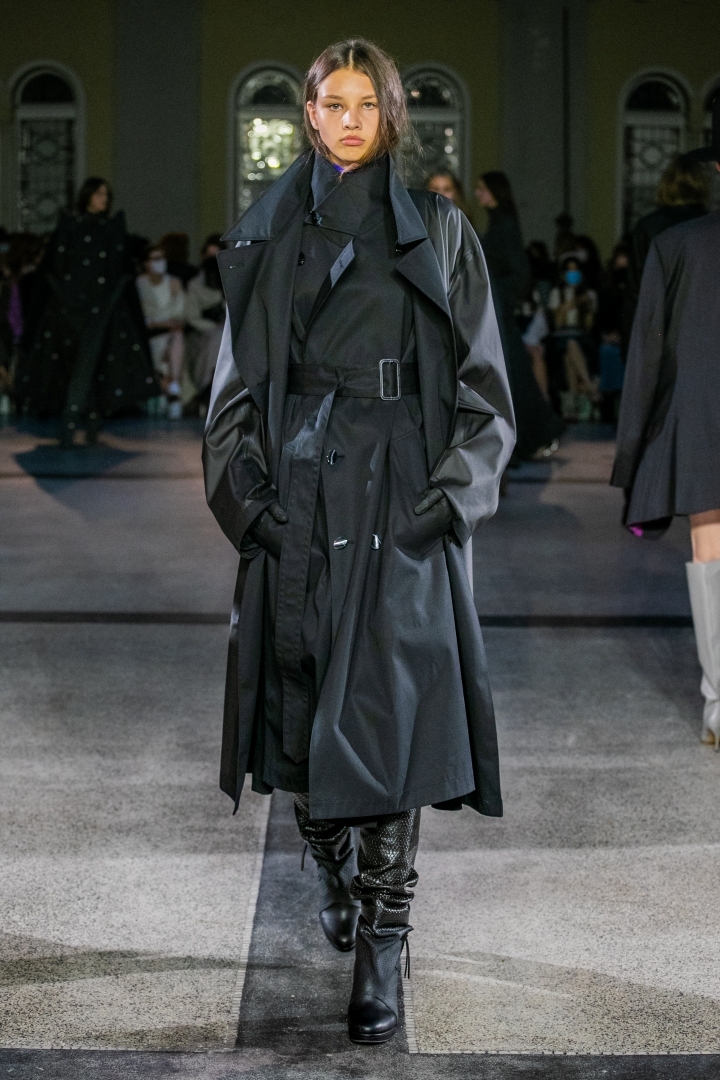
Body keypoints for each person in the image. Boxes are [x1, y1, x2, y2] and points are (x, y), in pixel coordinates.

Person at [203, 38, 515, 1046]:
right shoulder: (271, 230)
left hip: (399, 489)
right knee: (299, 699)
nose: (347, 121)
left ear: (390, 114)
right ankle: (332, 862)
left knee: (388, 710)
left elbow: (484, 381)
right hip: (298, 483)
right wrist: (248, 503)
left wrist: (448, 498)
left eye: (364, 104)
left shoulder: (438, 229)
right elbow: (233, 385)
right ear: (308, 114)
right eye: (331, 104)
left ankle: (385, 936)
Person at [611, 95, 720, 748]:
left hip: (702, 413)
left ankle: (718, 702)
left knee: (711, 548)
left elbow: (648, 355)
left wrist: (633, 454)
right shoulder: (675, 244)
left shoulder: (676, 245)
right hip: (700, 412)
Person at [15, 177, 157, 445]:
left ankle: (70, 422)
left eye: (106, 194)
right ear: (87, 195)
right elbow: (57, 266)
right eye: (99, 193)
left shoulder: (111, 228)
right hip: (70, 307)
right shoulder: (71, 227)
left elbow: (118, 269)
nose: (104, 198)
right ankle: (90, 417)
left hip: (102, 308)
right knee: (78, 361)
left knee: (87, 360)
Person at [476, 170, 561, 458]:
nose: (478, 193)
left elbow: (520, 270)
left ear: (495, 191)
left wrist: (500, 295)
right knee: (514, 372)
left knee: (515, 373)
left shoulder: (504, 224)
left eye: (482, 188)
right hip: (497, 307)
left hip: (499, 308)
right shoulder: (500, 222)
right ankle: (532, 436)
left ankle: (534, 435)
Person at [624, 153, 709, 348]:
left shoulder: (649, 226)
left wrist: (631, 345)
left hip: (661, 328)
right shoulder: (710, 226)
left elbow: (636, 291)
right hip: (701, 327)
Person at [136, 243, 186, 418]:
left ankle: (172, 385)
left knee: (176, 336)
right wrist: (163, 323)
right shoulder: (140, 285)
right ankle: (173, 388)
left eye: (162, 258)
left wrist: (162, 321)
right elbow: (143, 317)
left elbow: (180, 313)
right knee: (174, 338)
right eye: (156, 259)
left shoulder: (174, 282)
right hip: (149, 336)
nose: (160, 262)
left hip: (170, 333)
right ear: (146, 263)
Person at [548, 253, 598, 421]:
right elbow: (557, 322)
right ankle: (590, 389)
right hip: (560, 336)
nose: (572, 274)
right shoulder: (557, 293)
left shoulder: (589, 294)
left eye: (575, 270)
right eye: (569, 270)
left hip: (581, 337)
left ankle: (571, 406)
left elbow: (588, 325)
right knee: (568, 344)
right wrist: (574, 302)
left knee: (569, 355)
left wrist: (586, 306)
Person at [184, 234, 225, 410]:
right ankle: (208, 388)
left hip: (228, 331)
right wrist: (215, 327)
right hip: (203, 333)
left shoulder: (232, 281)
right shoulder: (195, 285)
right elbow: (192, 317)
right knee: (217, 339)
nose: (213, 261)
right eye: (210, 256)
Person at [596, 242, 630, 423]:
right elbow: (603, 318)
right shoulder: (607, 288)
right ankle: (608, 404)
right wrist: (607, 335)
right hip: (610, 339)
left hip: (629, 339)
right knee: (608, 352)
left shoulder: (635, 290)